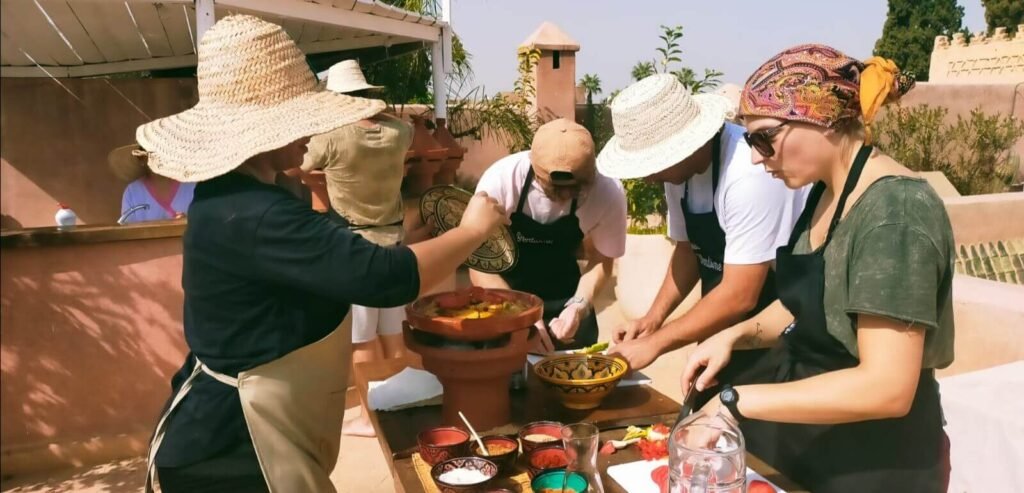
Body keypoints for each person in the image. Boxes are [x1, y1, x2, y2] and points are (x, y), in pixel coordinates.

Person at [139, 15, 507, 493]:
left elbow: (342, 259)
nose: (311, 134)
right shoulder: (257, 215)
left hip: (231, 433)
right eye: (301, 121)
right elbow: (385, 278)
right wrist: (474, 230)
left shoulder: (237, 199)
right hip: (233, 450)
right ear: (263, 131)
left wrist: (416, 235)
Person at [680, 44, 952, 493]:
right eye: (748, 140)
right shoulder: (825, 192)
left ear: (821, 118)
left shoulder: (896, 211)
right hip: (813, 444)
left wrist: (734, 401)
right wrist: (733, 336)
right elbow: (804, 304)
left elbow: (887, 386)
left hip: (874, 461)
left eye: (764, 137)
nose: (756, 156)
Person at [599, 75, 808, 404]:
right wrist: (652, 321)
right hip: (719, 332)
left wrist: (656, 344)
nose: (649, 177)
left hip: (776, 335)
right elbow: (689, 252)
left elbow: (740, 295)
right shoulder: (677, 175)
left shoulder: (748, 174)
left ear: (684, 146)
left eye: (652, 165)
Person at [300, 59, 413, 438]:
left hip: (354, 247)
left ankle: (370, 418)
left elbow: (299, 166)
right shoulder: (400, 132)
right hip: (395, 243)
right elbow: (399, 128)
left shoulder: (330, 138)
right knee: (394, 336)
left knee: (362, 340)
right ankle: (398, 407)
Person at [473, 118, 627, 351]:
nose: (564, 196)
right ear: (535, 170)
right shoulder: (501, 180)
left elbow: (602, 259)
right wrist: (519, 314)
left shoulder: (609, 192)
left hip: (565, 297)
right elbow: (478, 265)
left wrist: (578, 306)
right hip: (503, 295)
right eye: (554, 189)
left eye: (575, 189)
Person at [108, 144, 194, 223]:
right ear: (141, 159)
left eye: (162, 151)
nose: (159, 157)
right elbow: (127, 231)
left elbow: (200, 225)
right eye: (152, 153)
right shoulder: (133, 192)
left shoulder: (191, 187)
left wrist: (188, 223)